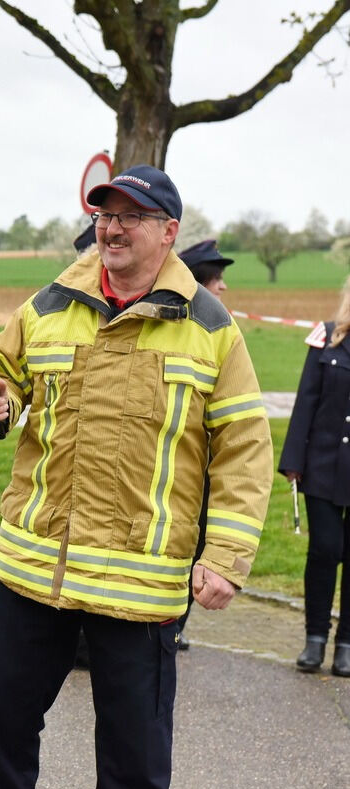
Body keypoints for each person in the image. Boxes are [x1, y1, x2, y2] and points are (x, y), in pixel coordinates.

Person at [0, 165, 273, 789]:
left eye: (130, 216)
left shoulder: (210, 326)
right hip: (33, 572)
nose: (113, 228)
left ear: (168, 232)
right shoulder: (47, 304)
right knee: (3, 742)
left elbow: (244, 448)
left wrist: (227, 555)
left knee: (134, 769)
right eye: (105, 215)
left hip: (140, 584)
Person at [279, 277, 350, 677]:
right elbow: (306, 401)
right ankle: (315, 640)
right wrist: (294, 459)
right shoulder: (325, 338)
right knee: (325, 549)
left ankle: (346, 646)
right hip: (322, 464)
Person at [174, 238, 235, 650]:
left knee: (196, 544)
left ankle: (175, 626)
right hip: (183, 470)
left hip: (208, 466)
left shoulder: (220, 331)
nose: (224, 289)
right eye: (217, 281)